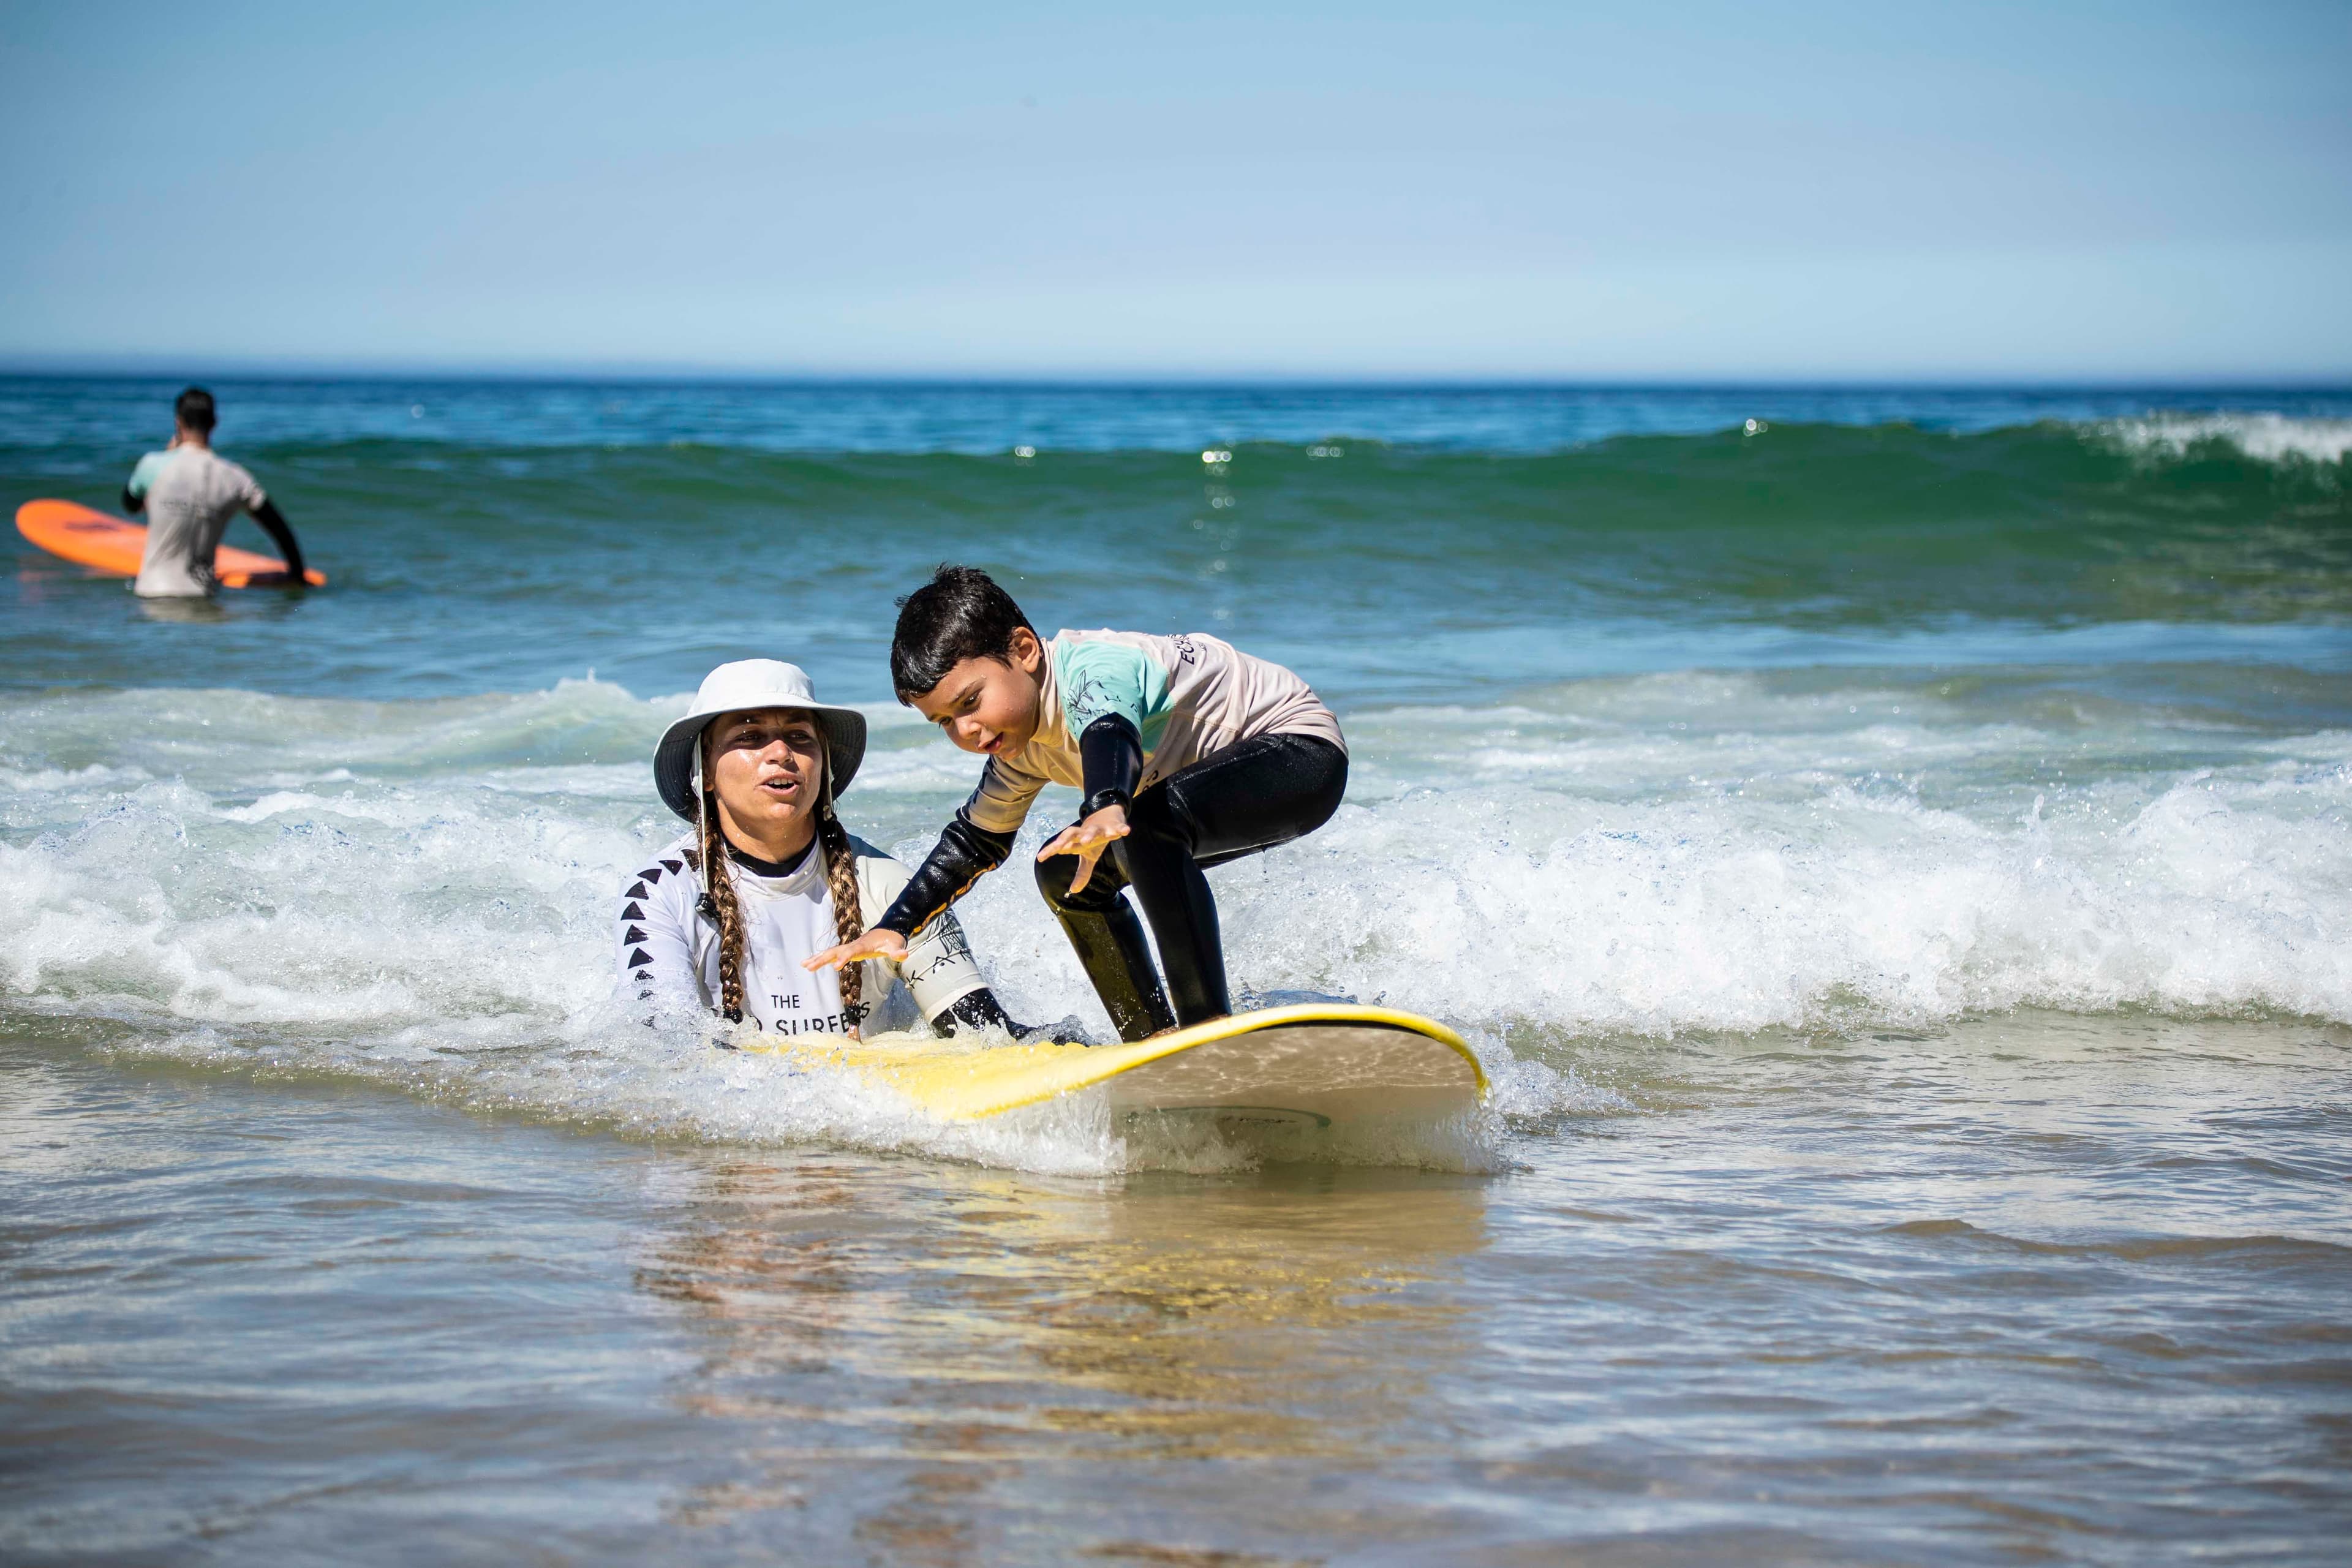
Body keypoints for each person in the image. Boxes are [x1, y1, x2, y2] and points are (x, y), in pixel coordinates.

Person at [805, 565, 1348, 1041]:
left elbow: (1109, 732)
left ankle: (1207, 1028)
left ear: (1024, 650)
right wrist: (897, 923)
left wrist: (1107, 804)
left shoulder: (1094, 668)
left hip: (1299, 755)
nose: (967, 730)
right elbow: (975, 841)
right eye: (945, 721)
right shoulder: (1019, 749)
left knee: (1148, 824)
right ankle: (1151, 1038)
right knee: (1064, 872)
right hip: (1189, 798)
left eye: (971, 702)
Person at [620, 658, 1031, 1041]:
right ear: (706, 771)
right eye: (749, 737)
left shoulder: (894, 888)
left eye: (799, 737)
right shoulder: (659, 895)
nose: (781, 753)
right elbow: (665, 1050)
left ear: (823, 763)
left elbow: (986, 1039)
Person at [122, 386, 307, 597]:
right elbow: (280, 528)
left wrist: (167, 457)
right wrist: (297, 574)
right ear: (214, 423)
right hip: (202, 599)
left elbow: (131, 506)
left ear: (178, 423)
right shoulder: (236, 478)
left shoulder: (152, 465)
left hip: (152, 595)